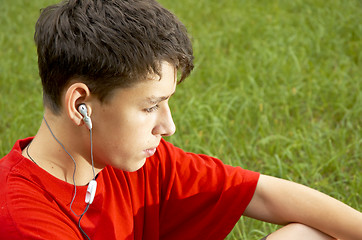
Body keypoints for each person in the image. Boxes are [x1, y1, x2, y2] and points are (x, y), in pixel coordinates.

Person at [0, 0, 361, 239]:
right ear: (82, 105)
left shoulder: (133, 163)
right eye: (149, 107)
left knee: (305, 233)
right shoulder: (21, 220)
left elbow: (262, 194)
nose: (168, 127)